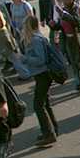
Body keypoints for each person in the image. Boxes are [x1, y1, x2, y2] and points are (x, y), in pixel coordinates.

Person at [19, 15, 59, 147]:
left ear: (29, 26)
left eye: (24, 25)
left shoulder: (36, 40)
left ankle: (49, 134)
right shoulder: (37, 38)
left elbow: (41, 60)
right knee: (45, 103)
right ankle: (52, 130)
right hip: (42, 74)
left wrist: (25, 59)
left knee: (38, 105)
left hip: (43, 74)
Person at [54, 0, 80, 93]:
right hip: (68, 39)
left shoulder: (78, 9)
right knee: (73, 63)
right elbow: (61, 26)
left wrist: (64, 15)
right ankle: (79, 83)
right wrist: (53, 25)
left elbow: (79, 22)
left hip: (78, 38)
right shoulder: (63, 10)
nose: (66, 1)